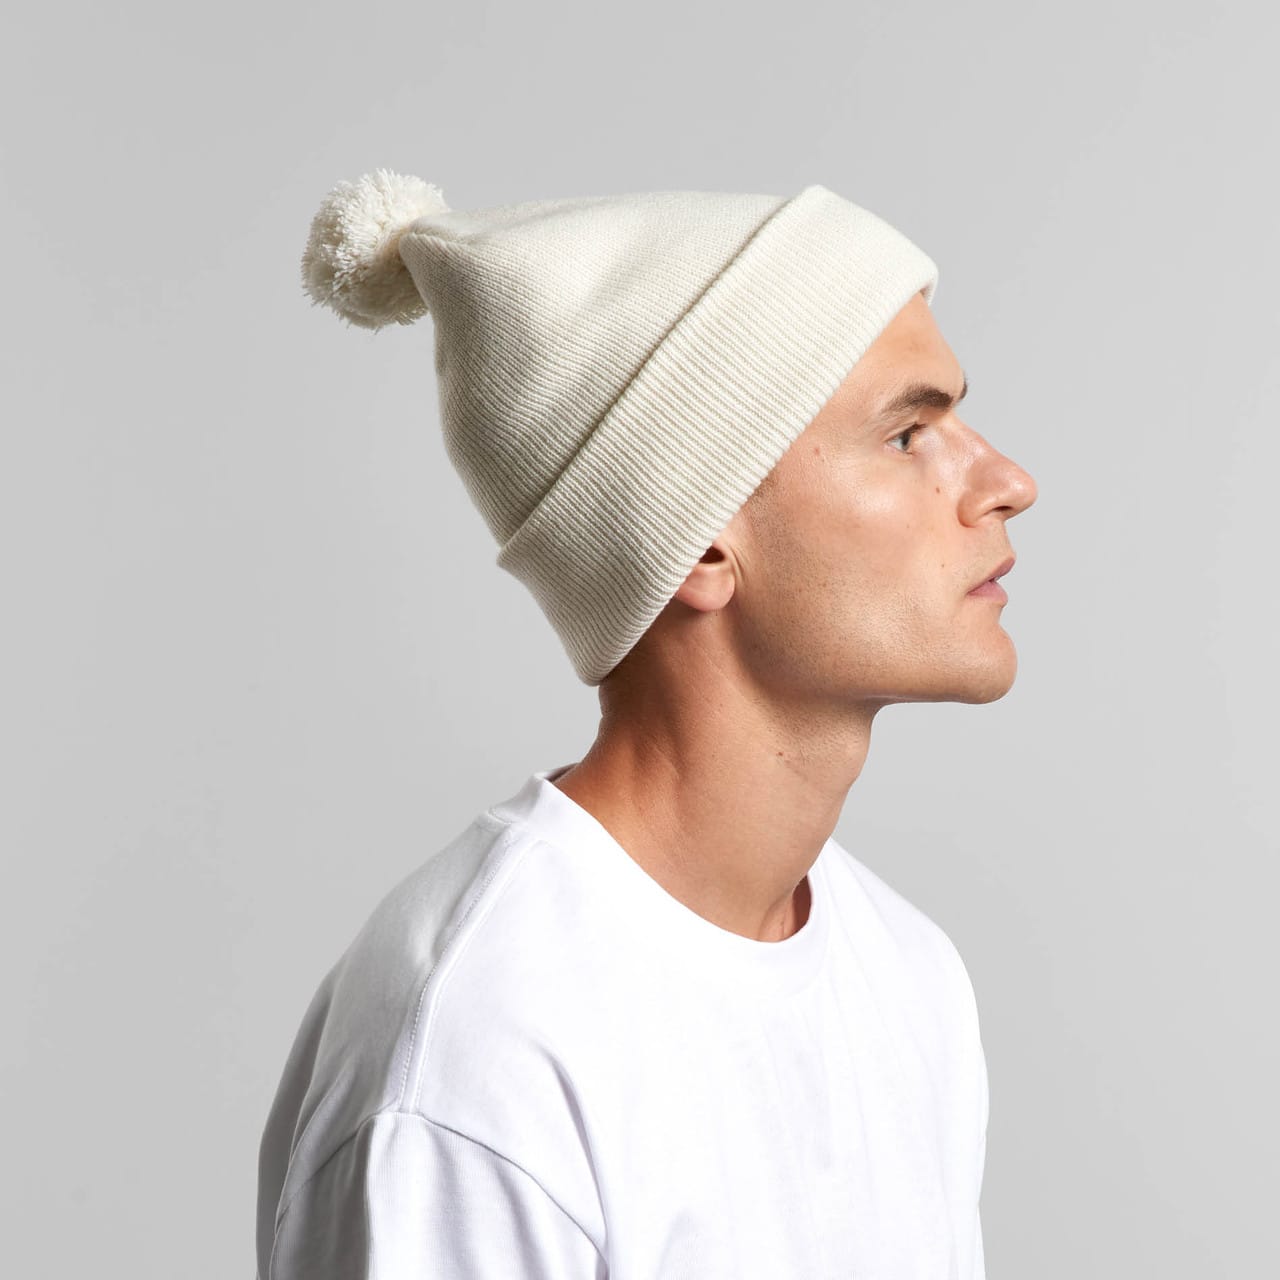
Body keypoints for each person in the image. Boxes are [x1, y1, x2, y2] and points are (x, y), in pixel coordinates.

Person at [255, 170, 1037, 1279]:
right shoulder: (481, 1047)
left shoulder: (907, 976)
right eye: (908, 434)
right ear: (701, 541)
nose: (1006, 481)